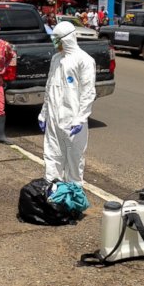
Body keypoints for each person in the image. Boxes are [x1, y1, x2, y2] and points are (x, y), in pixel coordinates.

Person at [42, 21, 99, 184]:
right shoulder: (56, 59)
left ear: (67, 39)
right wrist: (44, 113)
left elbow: (88, 93)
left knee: (74, 159)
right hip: (53, 118)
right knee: (52, 155)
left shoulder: (84, 61)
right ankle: (52, 194)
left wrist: (80, 118)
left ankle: (72, 198)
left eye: (57, 40)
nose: (55, 44)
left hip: (72, 119)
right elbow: (49, 86)